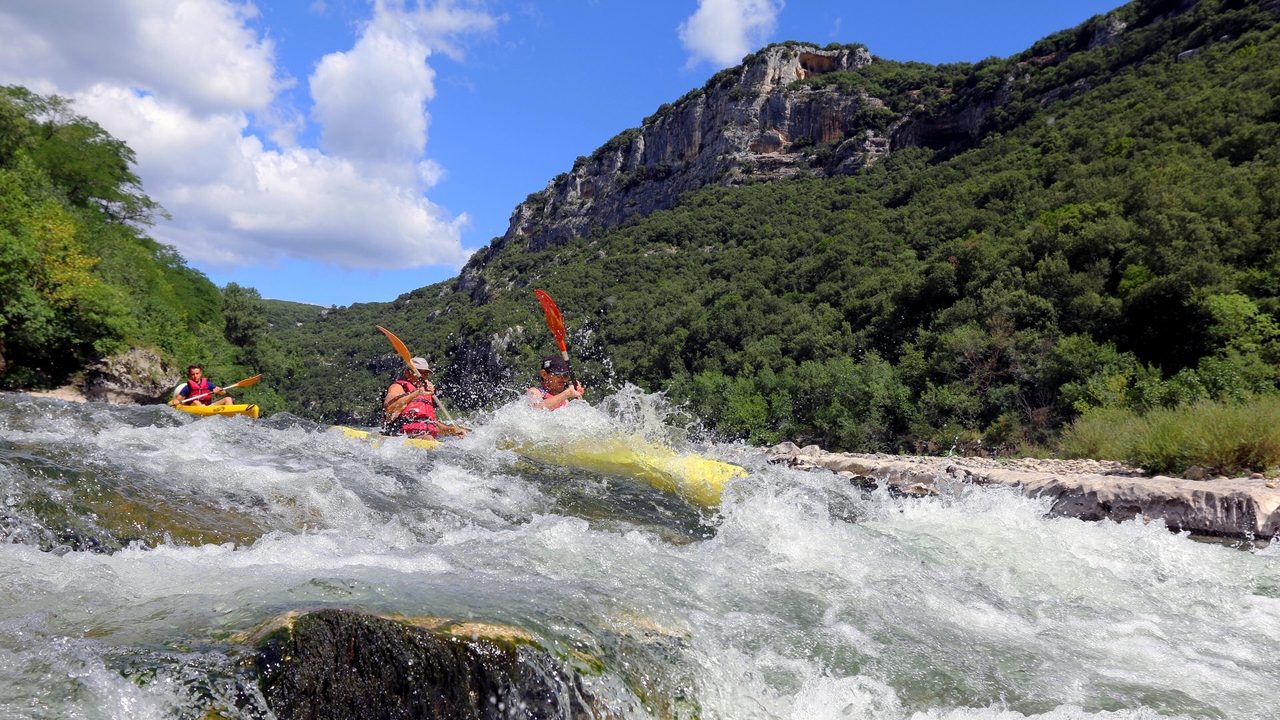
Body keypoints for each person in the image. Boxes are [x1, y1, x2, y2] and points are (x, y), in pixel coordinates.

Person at [383, 357, 466, 439]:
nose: (422, 376)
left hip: (423, 438)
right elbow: (389, 408)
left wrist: (452, 430)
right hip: (400, 438)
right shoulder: (398, 387)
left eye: (425, 373)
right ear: (407, 373)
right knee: (429, 438)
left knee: (429, 437)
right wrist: (417, 393)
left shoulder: (426, 393)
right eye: (419, 372)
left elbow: (430, 425)